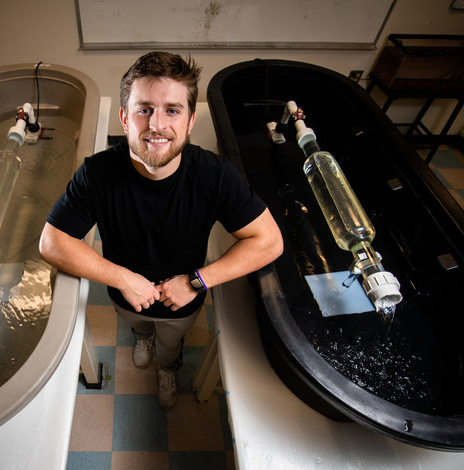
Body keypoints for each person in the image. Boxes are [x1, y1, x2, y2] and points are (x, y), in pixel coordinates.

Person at [39, 51, 283, 409]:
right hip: (126, 296)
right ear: (124, 118)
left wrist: (196, 281)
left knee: (171, 342)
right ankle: (143, 338)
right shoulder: (97, 174)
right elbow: (52, 241)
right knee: (138, 325)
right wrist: (121, 278)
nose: (156, 124)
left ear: (189, 120)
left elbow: (269, 241)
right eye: (143, 109)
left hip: (183, 301)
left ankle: (168, 364)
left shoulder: (214, 175)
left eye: (172, 110)